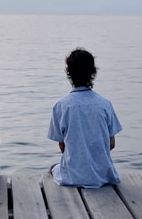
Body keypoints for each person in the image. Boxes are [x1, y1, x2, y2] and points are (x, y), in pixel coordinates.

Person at [48, 48, 122, 188]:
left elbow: (62, 146)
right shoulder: (105, 104)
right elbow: (111, 144)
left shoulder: (61, 106)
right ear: (93, 73)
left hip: (73, 177)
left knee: (53, 167)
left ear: (69, 73)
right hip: (103, 175)